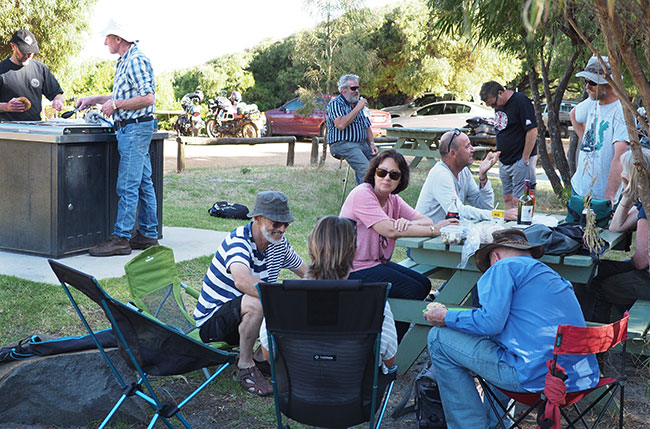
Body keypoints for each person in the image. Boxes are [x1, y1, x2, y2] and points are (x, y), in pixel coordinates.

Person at [424, 229, 600, 428]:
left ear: (495, 256)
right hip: (577, 377)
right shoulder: (549, 274)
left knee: (438, 337)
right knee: (498, 346)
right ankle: (496, 423)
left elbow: (489, 322)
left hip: (537, 376)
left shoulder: (502, 267)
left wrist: (447, 316)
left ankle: (469, 425)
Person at [193, 191, 308, 396]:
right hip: (212, 325)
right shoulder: (238, 240)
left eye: (286, 224)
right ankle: (245, 365)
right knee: (261, 301)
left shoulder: (279, 244)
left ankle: (260, 359)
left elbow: (306, 273)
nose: (281, 229)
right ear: (256, 218)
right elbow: (242, 280)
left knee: (295, 296)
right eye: (276, 223)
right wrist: (281, 299)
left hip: (242, 319)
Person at [340, 149, 457, 340]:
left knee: (424, 283)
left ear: (400, 179)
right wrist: (436, 230)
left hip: (375, 263)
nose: (387, 178)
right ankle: (391, 345)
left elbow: (426, 220)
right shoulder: (362, 194)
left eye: (394, 175)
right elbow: (389, 230)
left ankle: (387, 338)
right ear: (373, 173)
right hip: (352, 269)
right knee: (411, 290)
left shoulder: (393, 199)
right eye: (382, 172)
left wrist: (408, 224)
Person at [259, 215, 398, 373]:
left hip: (298, 390)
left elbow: (269, 353)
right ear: (355, 252)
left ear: (310, 247)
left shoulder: (282, 300)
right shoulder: (373, 303)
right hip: (355, 392)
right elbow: (389, 360)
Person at [76, 25, 159, 256]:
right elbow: (122, 97)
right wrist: (93, 99)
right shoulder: (125, 60)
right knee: (143, 183)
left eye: (107, 38)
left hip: (134, 130)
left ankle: (121, 238)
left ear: (119, 38)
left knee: (127, 185)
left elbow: (148, 98)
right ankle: (148, 235)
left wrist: (116, 105)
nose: (105, 43)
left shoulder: (136, 60)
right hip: (130, 129)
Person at [590, 149, 650, 323]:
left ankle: (600, 340)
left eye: (624, 169)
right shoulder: (643, 202)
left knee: (600, 284)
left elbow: (640, 261)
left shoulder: (647, 207)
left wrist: (620, 267)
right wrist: (627, 194)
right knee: (597, 270)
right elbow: (616, 227)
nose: (621, 173)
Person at [415, 128, 517, 223]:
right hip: (427, 236)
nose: (473, 149)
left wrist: (483, 177)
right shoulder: (440, 175)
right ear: (453, 153)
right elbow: (459, 211)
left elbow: (485, 207)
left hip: (447, 234)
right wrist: (499, 214)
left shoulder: (464, 172)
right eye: (467, 146)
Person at [570, 56, 629, 202]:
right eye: (586, 81)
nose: (587, 87)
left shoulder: (621, 112)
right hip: (578, 189)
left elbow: (620, 157)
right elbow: (574, 115)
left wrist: (608, 197)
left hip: (601, 197)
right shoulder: (591, 102)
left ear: (608, 83)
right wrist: (587, 142)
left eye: (592, 82)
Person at [480, 81, 538, 210]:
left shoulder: (521, 101)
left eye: (494, 103)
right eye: (491, 106)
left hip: (520, 158)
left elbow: (532, 130)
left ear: (500, 93)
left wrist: (525, 158)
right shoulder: (499, 106)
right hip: (504, 159)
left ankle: (523, 228)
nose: (494, 107)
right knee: (507, 198)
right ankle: (509, 228)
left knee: (521, 200)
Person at [0, 29, 64, 121]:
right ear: (13, 46)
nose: (28, 55)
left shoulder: (40, 69)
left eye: (31, 52)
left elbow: (57, 94)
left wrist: (58, 101)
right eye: (24, 51)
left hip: (34, 128)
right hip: (7, 130)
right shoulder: (2, 70)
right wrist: (6, 106)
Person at [326, 74, 378, 184]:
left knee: (380, 167)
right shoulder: (335, 104)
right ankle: (364, 197)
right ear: (343, 89)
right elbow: (341, 125)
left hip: (362, 144)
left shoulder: (358, 104)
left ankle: (372, 195)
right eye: (353, 88)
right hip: (342, 144)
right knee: (366, 170)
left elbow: (367, 126)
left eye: (358, 88)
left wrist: (372, 143)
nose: (357, 91)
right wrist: (357, 108)